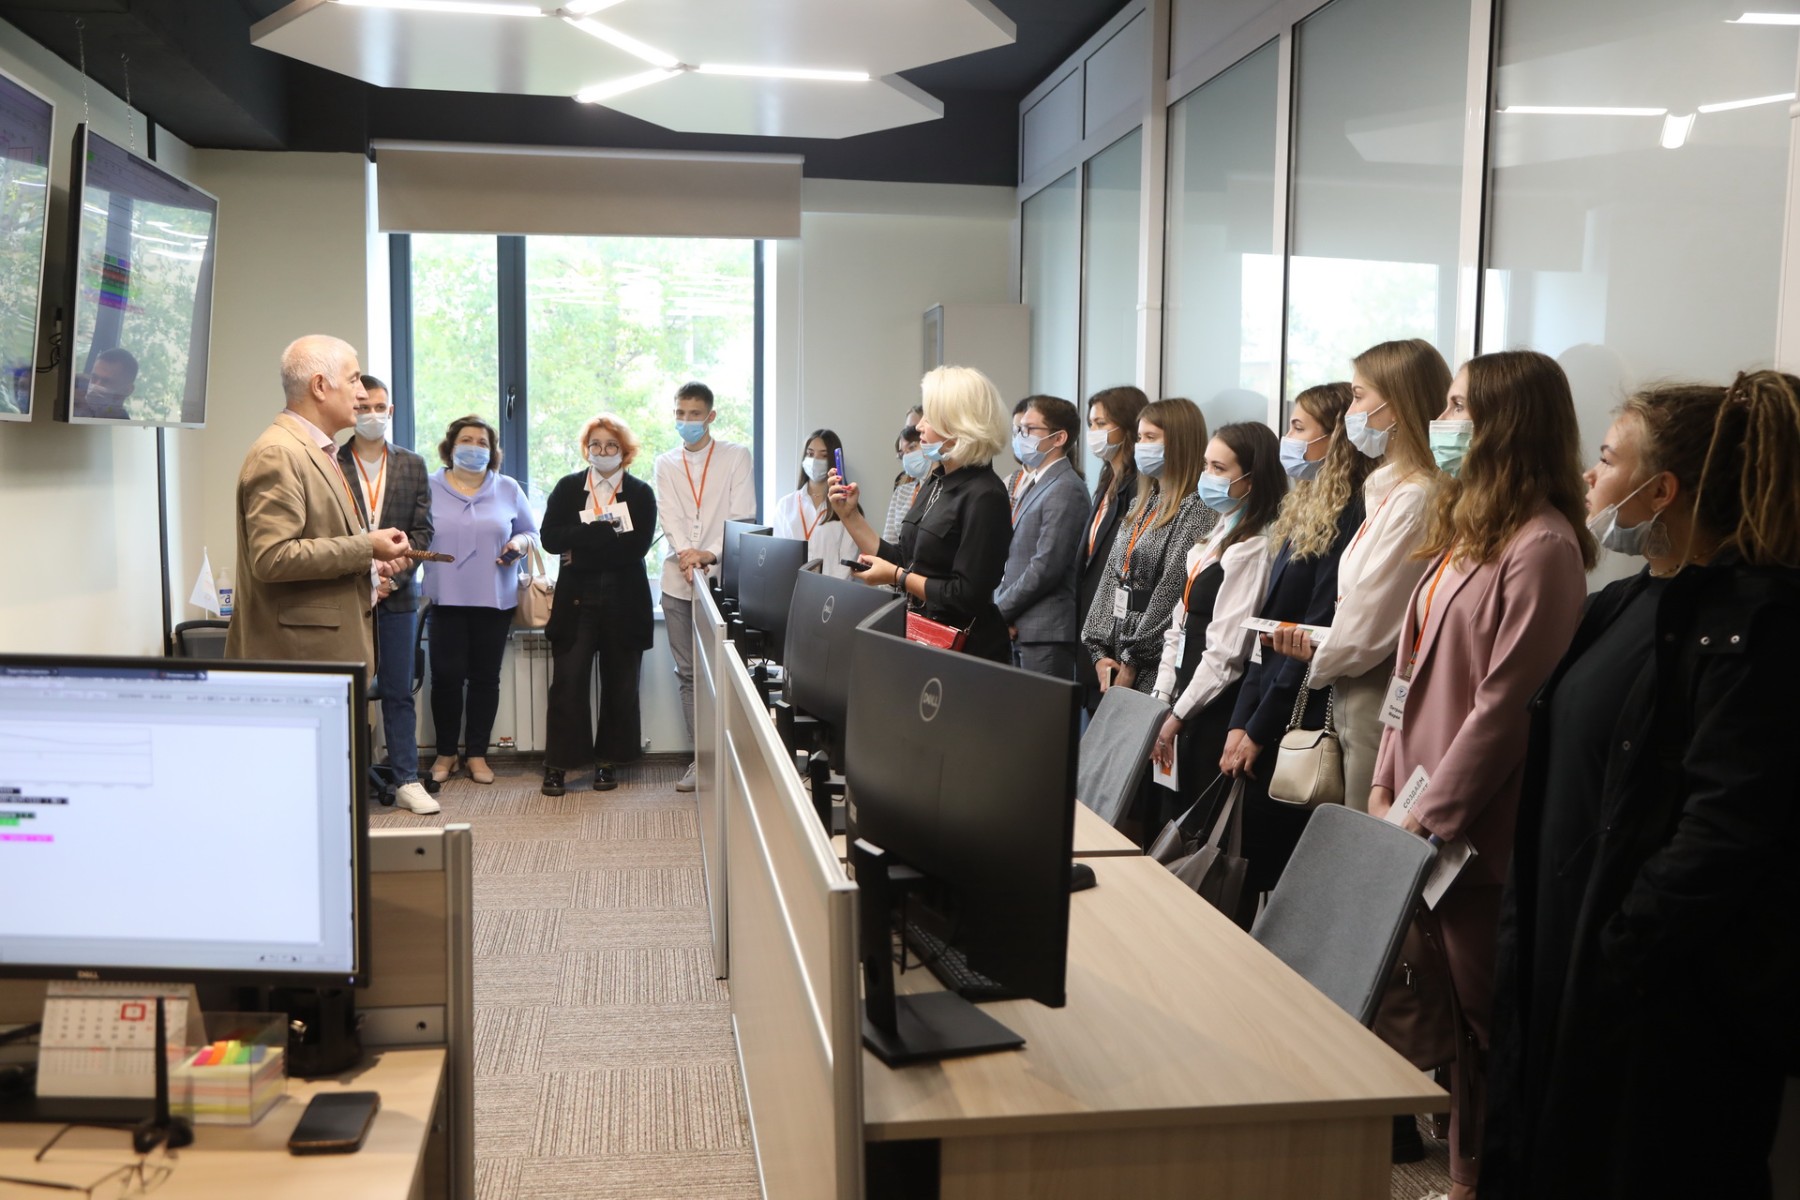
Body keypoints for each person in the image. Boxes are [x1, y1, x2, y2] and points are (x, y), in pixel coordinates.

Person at [1484, 372, 1800, 1200]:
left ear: (1662, 490)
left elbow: (1726, 824)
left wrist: (1622, 947)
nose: (1590, 475)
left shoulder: (1756, 623)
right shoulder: (1619, 603)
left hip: (1656, 991)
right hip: (1567, 950)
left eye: (1608, 457)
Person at [1366, 350, 1594, 1200]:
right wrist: (1384, 784)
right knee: (1446, 1013)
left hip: (1473, 832)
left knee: (1483, 1020)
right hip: (1413, 805)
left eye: (1461, 407)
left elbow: (1505, 708)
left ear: (1509, 422)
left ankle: (1478, 1178)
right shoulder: (1466, 532)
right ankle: (1465, 1171)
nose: (1443, 421)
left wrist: (1427, 816)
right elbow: (1407, 676)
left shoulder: (1544, 547)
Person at [1269, 339, 1449, 809]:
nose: (1351, 413)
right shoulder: (1388, 488)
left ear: (1397, 406)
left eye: (1359, 396)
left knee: (1358, 824)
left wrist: (1316, 658)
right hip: (1353, 681)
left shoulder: (1416, 497)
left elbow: (1370, 621)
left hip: (1372, 683)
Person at [1221, 382, 1368, 909]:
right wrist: (1240, 720)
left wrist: (1259, 729)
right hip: (1264, 702)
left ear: (1336, 439)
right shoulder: (1303, 506)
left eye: (1299, 427)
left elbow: (1310, 633)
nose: (1287, 437)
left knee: (1275, 872)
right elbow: (1266, 631)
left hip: (1299, 716)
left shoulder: (1350, 514)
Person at [225, 335, 411, 669]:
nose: (362, 393)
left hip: (321, 656)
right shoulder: (280, 453)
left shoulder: (319, 450)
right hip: (297, 662)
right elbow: (272, 558)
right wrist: (366, 547)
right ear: (320, 386)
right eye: (354, 380)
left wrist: (369, 564)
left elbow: (321, 541)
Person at [825, 366, 1014, 664]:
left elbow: (965, 594)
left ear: (960, 425)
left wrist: (898, 577)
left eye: (930, 418)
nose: (920, 427)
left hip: (967, 653)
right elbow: (904, 558)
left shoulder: (986, 495)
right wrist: (850, 517)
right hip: (923, 638)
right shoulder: (936, 480)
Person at [1149, 422, 1285, 829]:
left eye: (1219, 469)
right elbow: (1178, 626)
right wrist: (1161, 697)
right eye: (1206, 466)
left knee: (1193, 829)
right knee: (1164, 819)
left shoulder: (1253, 547)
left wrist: (1179, 714)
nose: (1207, 477)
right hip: (1182, 697)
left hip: (1211, 708)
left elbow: (1227, 654)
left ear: (1251, 479)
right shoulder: (1216, 534)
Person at [539, 414, 658, 796]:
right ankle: (558, 765)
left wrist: (581, 550)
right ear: (586, 449)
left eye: (611, 445)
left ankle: (608, 762)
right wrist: (601, 532)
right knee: (567, 684)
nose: (603, 451)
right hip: (577, 602)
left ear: (625, 451)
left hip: (625, 601)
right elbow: (550, 538)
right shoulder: (568, 487)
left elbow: (636, 548)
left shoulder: (641, 493)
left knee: (621, 685)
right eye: (596, 445)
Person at [337, 374, 438, 816]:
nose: (371, 415)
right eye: (363, 408)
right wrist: (365, 573)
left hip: (397, 595)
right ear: (351, 410)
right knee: (343, 693)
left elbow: (423, 531)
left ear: (390, 411)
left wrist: (395, 572)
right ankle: (337, 782)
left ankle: (407, 780)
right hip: (346, 592)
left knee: (398, 691)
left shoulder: (412, 464)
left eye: (379, 408)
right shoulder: (330, 461)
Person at [421, 415, 538, 787]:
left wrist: (518, 544)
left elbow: (530, 533)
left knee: (485, 678)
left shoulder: (507, 488)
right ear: (451, 446)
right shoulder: (428, 486)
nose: (474, 448)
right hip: (444, 597)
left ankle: (476, 754)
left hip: (494, 598)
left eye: (482, 442)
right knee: (446, 679)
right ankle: (445, 753)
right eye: (466, 440)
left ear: (493, 451)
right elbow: (411, 535)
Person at [1080, 397, 1217, 699]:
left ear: (1179, 443)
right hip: (1115, 650)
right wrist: (1097, 650)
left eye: (1151, 438)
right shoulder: (1142, 503)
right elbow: (1111, 578)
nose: (1141, 446)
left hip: (1154, 664)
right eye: (1140, 437)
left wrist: (1132, 662)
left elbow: (1171, 592)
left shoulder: (1197, 510)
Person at [655, 381, 755, 792]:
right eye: (680, 414)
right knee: (688, 674)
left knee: (727, 673)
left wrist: (708, 554)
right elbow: (669, 515)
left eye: (694, 414)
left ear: (710, 416)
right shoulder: (665, 463)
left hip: (722, 581)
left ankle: (732, 761)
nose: (686, 421)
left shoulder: (735, 456)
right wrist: (686, 554)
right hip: (678, 583)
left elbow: (743, 516)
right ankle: (701, 760)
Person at [996, 395, 1089, 679]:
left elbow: (1046, 566)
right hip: (1022, 627)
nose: (1020, 436)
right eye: (1019, 429)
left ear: (1058, 437)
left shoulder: (1066, 487)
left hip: (1045, 633)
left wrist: (1001, 610)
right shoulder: (1038, 482)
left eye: (1029, 429)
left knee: (1041, 709)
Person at [1078, 386, 1149, 712]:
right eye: (1091, 424)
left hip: (1116, 636)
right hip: (1092, 629)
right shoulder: (1107, 480)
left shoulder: (1139, 486)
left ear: (1127, 426)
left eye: (1102, 423)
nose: (1094, 432)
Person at [773, 429, 860, 579]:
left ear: (834, 461)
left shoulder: (846, 507)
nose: (815, 460)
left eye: (823, 455)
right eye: (810, 454)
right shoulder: (785, 505)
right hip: (792, 588)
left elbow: (848, 561)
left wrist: (824, 589)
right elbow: (779, 556)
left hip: (832, 590)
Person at [883, 425, 927, 544]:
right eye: (903, 454)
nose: (907, 457)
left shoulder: (942, 489)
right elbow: (889, 541)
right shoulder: (901, 492)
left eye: (912, 447)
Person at [72, 347, 137, 420]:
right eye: (94, 378)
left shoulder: (123, 426)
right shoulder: (79, 410)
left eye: (106, 381)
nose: (96, 386)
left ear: (127, 390)